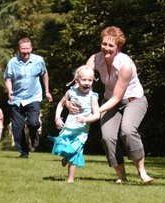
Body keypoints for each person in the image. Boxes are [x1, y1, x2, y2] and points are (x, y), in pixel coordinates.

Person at [66, 26, 154, 183]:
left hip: (133, 101)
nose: (106, 48)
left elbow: (117, 97)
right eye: (104, 44)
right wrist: (68, 101)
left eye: (111, 45)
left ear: (118, 47)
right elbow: (80, 80)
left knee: (127, 130)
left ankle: (142, 172)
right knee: (107, 137)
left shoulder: (125, 65)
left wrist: (94, 111)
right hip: (109, 102)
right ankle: (122, 177)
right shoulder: (95, 59)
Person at [48, 65, 100, 183]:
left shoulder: (93, 96)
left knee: (75, 153)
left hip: (81, 131)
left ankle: (70, 179)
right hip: (68, 128)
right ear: (77, 80)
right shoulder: (71, 92)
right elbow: (61, 104)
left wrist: (85, 119)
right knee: (65, 148)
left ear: (93, 81)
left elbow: (97, 115)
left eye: (90, 80)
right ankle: (65, 157)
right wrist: (57, 118)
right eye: (84, 80)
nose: (87, 83)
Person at [4, 37, 53, 158]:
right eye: (23, 49)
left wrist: (47, 91)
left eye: (27, 49)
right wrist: (9, 90)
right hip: (16, 99)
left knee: (33, 123)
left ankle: (34, 133)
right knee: (17, 128)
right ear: (19, 49)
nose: (25, 51)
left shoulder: (38, 60)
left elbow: (44, 74)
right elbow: (7, 78)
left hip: (33, 97)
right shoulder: (12, 62)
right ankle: (24, 153)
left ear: (31, 48)